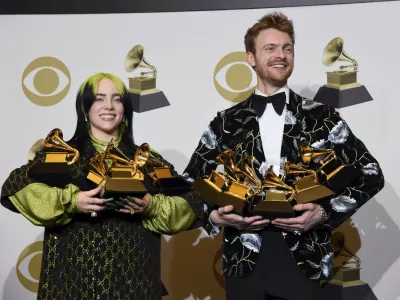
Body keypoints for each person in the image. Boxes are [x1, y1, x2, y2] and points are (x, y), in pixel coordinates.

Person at [183, 12, 384, 300]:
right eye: (270, 48)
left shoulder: (322, 117)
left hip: (306, 260)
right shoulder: (225, 122)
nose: (281, 55)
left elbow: (371, 173)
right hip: (244, 261)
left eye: (287, 48)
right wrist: (215, 216)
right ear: (250, 58)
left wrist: (324, 213)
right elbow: (189, 183)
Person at [1, 73, 203, 300]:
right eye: (99, 99)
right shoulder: (63, 155)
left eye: (117, 99)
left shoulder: (147, 161)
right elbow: (17, 185)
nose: (109, 106)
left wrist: (151, 205)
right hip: (69, 287)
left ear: (125, 109)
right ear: (85, 108)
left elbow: (191, 200)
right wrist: (72, 201)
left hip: (135, 287)